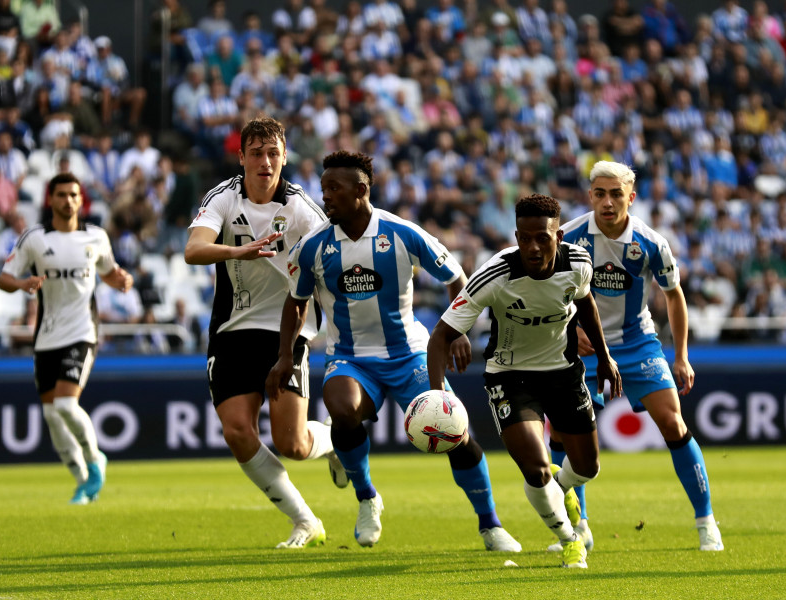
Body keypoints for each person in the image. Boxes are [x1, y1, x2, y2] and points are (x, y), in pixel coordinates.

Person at [266, 150, 521, 552]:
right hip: (350, 357)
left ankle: (491, 524)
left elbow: (457, 278)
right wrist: (284, 355)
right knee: (342, 411)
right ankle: (367, 497)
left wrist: (457, 331)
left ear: (361, 190)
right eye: (323, 188)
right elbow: (296, 302)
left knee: (457, 434)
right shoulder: (313, 246)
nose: (325, 197)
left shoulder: (402, 233)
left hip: (410, 355)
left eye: (334, 189)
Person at [427, 194, 621, 568]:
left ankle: (557, 490)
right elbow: (440, 336)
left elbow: (586, 305)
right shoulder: (494, 275)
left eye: (543, 238)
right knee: (537, 466)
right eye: (525, 238)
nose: (533, 247)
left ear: (559, 235)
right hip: (510, 377)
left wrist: (605, 355)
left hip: (563, 373)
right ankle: (570, 539)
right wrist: (439, 398)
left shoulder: (579, 264)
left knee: (588, 468)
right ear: (516, 236)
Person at [184, 116, 344, 550]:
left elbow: (333, 263)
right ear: (241, 158)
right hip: (233, 331)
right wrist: (239, 250)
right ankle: (305, 519)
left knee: (292, 443)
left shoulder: (302, 210)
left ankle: (337, 442)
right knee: (237, 430)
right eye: (256, 153)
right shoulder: (222, 198)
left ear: (284, 157)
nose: (265, 161)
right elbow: (193, 250)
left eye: (273, 153)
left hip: (285, 334)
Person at [551, 160, 723, 552]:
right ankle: (578, 528)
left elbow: (674, 295)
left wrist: (681, 355)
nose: (607, 202)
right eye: (600, 193)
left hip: (636, 342)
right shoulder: (568, 237)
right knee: (564, 433)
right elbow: (547, 289)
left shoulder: (650, 243)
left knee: (672, 421)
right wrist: (567, 329)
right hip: (583, 345)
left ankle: (706, 521)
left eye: (616, 194)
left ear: (631, 196)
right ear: (590, 196)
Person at [0, 173, 133, 504]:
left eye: (74, 194)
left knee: (66, 405)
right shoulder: (35, 238)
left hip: (83, 331)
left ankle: (96, 461)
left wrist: (122, 280)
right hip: (46, 336)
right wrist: (22, 284)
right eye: (61, 194)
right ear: (50, 200)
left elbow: (108, 271)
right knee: (51, 415)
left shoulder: (96, 237)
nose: (69, 200)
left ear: (81, 199)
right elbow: (3, 279)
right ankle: (82, 481)